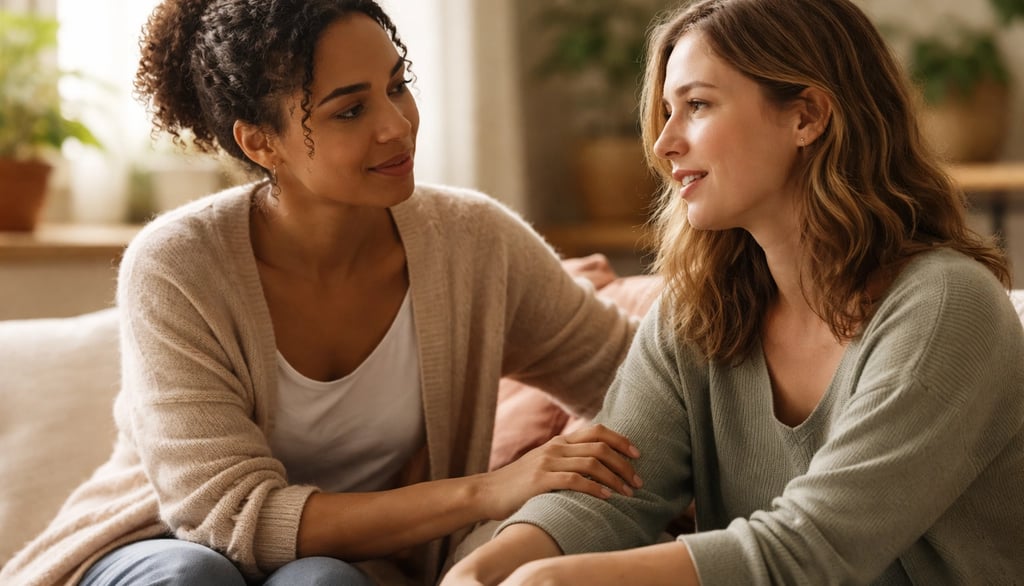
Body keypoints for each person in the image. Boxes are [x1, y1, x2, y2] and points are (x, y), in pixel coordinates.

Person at [0, 1, 646, 585]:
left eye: (397, 86)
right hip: (159, 543)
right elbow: (234, 517)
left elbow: (639, 378)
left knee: (324, 585)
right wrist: (488, 492)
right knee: (191, 579)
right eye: (351, 109)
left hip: (344, 568)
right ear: (259, 142)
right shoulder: (177, 265)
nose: (396, 125)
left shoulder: (472, 242)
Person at [442, 0, 1024, 584]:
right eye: (667, 111)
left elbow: (816, 550)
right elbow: (608, 490)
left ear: (807, 117)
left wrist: (551, 579)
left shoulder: (946, 307)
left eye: (697, 105)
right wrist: (483, 568)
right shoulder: (696, 309)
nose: (664, 143)